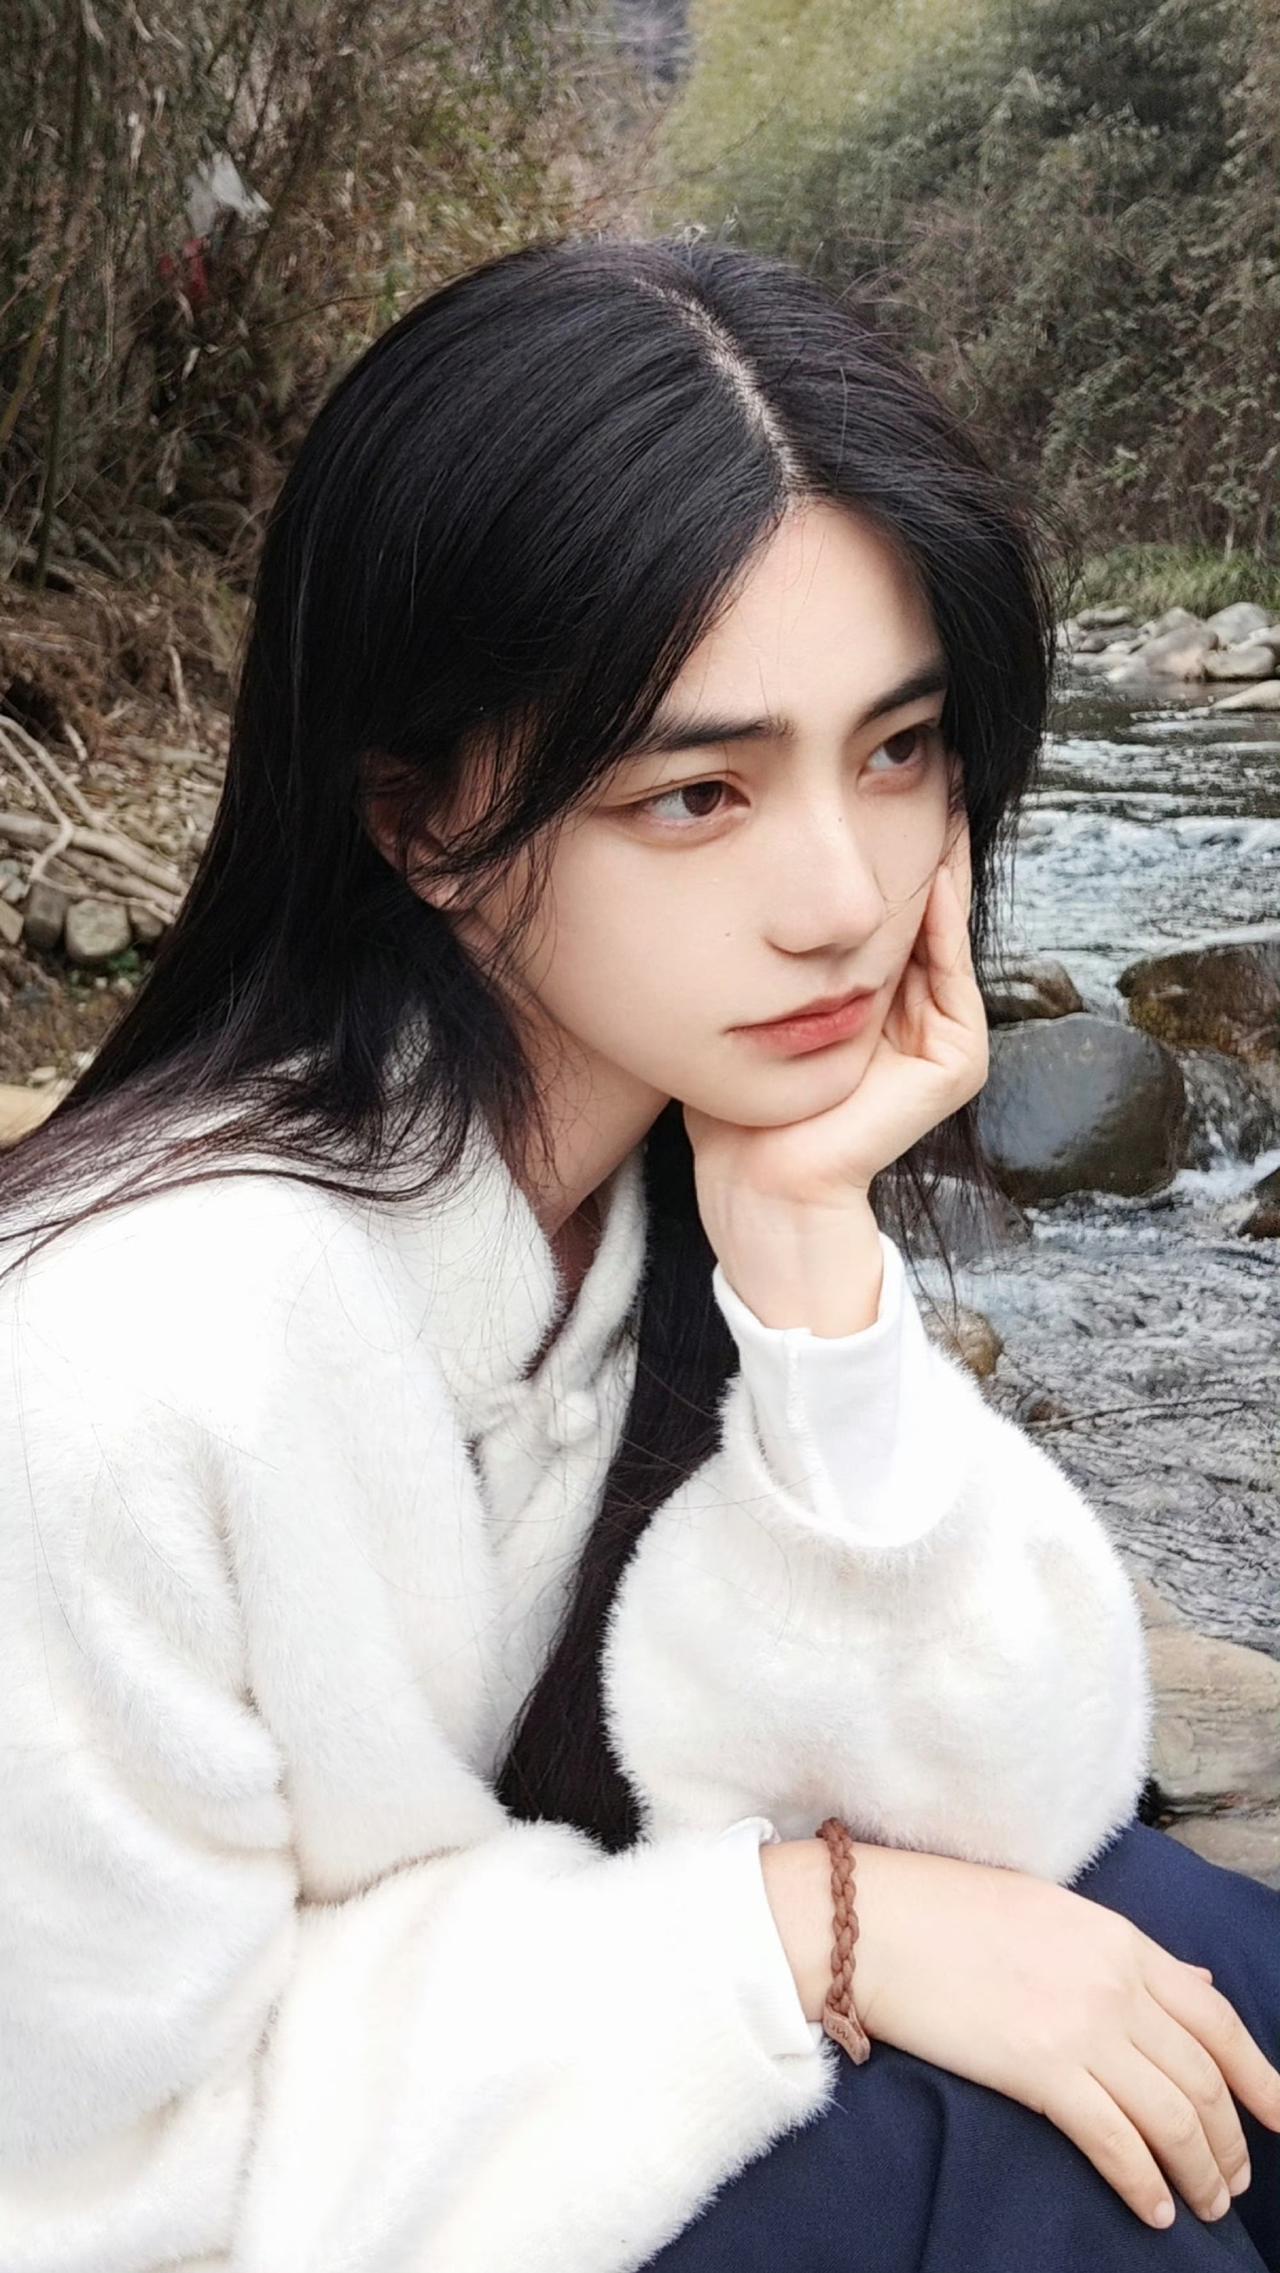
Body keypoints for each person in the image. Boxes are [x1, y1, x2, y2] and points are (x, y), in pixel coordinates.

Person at [0, 233, 1277, 2273]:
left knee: (1200, 1974)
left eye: (897, 749)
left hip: (469, 2103)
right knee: (1057, 2172)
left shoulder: (654, 1201)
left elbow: (1015, 1822)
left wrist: (813, 1280)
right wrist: (794, 1934)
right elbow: (98, 2191)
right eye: (698, 791)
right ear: (421, 819)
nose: (843, 896)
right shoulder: (123, 1367)